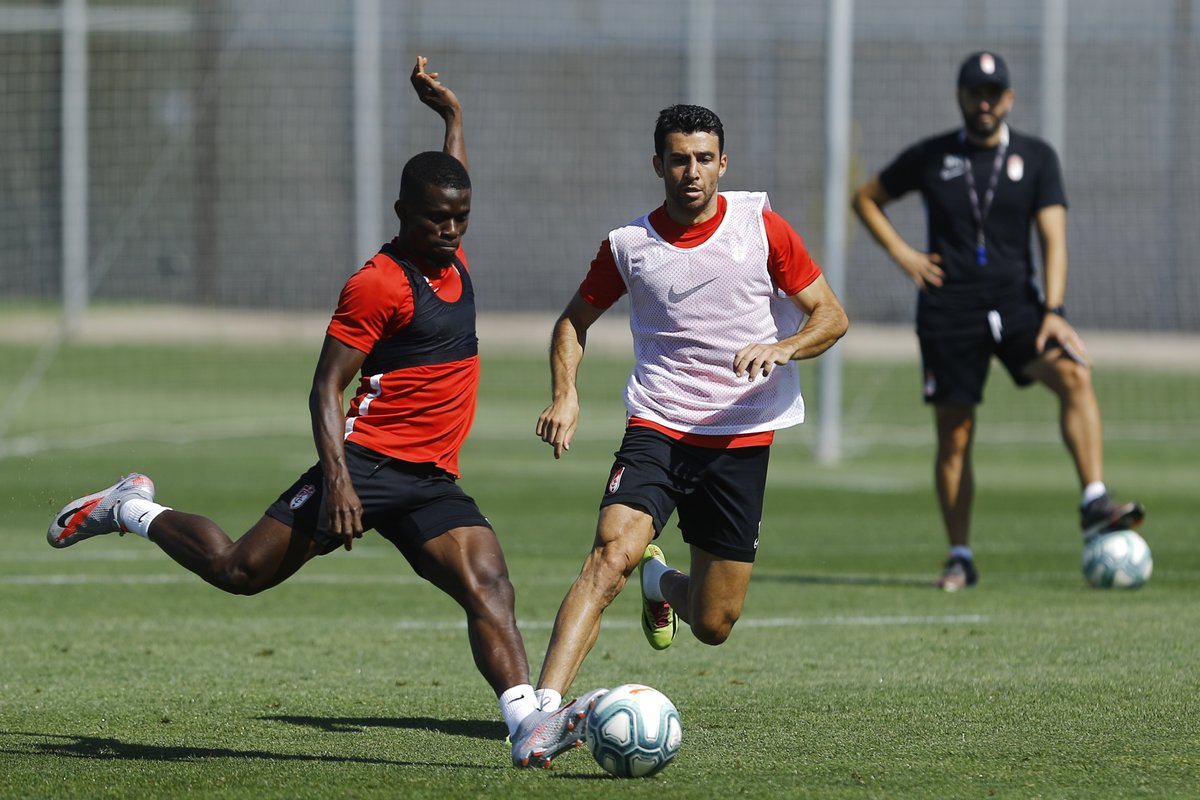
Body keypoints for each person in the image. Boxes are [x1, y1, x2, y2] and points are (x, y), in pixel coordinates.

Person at [45, 57, 542, 741]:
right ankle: (131, 508)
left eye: (460, 218)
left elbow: (451, 178)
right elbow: (325, 388)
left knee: (490, 585)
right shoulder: (379, 283)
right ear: (403, 214)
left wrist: (452, 117)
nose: (451, 230)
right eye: (436, 219)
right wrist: (339, 483)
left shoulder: (449, 256)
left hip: (429, 479)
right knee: (238, 571)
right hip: (365, 466)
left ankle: (527, 725)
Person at [509, 104, 848, 768]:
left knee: (715, 623)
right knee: (609, 556)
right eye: (678, 158)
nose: (691, 171)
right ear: (658, 164)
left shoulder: (763, 230)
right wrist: (565, 393)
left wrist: (784, 346)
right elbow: (573, 322)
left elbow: (831, 316)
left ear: (723, 163)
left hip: (741, 438)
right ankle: (541, 717)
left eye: (703, 158)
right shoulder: (629, 245)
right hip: (657, 429)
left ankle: (661, 586)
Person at [851, 51, 1145, 591]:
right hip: (949, 310)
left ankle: (1093, 500)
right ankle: (960, 555)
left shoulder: (1036, 158)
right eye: (974, 92)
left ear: (1008, 98)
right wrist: (904, 255)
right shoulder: (933, 156)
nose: (984, 102)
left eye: (994, 93)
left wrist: (1054, 312)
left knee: (1076, 374)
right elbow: (866, 198)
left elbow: (1054, 239)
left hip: (1019, 308)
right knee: (955, 435)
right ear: (961, 97)